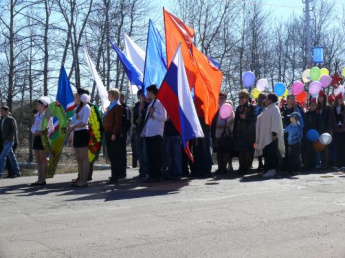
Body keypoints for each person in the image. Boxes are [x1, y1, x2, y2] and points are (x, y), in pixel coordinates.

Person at [140, 84, 167, 182]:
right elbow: (147, 120)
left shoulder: (159, 103)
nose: (147, 94)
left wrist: (153, 113)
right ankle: (151, 175)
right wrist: (144, 132)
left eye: (148, 92)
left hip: (156, 133)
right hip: (149, 134)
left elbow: (163, 118)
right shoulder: (150, 104)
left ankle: (157, 175)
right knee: (150, 156)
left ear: (152, 93)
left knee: (156, 155)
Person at [255, 93, 285, 178]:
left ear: (270, 100)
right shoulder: (268, 109)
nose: (265, 101)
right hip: (266, 136)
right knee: (267, 153)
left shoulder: (275, 109)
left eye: (267, 99)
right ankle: (267, 169)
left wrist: (274, 134)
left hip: (271, 136)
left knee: (271, 153)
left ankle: (272, 170)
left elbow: (275, 121)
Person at [67, 89, 91, 187]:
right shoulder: (77, 107)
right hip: (76, 132)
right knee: (78, 158)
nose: (75, 96)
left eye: (77, 95)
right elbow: (76, 120)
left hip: (83, 133)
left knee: (84, 158)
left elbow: (84, 122)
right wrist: (72, 127)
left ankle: (85, 180)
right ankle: (80, 178)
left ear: (81, 96)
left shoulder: (86, 107)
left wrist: (73, 127)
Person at [31, 97, 54, 185]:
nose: (37, 105)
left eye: (38, 104)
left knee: (43, 159)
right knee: (37, 159)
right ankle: (39, 178)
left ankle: (43, 179)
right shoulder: (36, 115)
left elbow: (51, 129)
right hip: (37, 137)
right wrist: (35, 131)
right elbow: (33, 126)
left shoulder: (47, 115)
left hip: (43, 139)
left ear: (43, 105)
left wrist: (43, 132)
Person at [103, 88, 124, 185]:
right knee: (111, 155)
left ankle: (115, 176)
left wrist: (114, 133)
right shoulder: (110, 106)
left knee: (114, 155)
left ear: (114, 96)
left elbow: (118, 121)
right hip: (108, 131)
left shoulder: (117, 106)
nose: (108, 97)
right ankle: (113, 175)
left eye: (110, 95)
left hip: (112, 133)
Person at [211, 92, 235, 174]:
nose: (221, 100)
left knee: (225, 150)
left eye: (222, 98)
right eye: (219, 98)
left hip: (225, 133)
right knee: (219, 151)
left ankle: (223, 168)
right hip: (217, 133)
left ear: (225, 99)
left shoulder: (228, 108)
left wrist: (223, 125)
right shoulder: (217, 109)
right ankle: (220, 167)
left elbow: (231, 120)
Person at [234, 89, 256, 176]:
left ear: (247, 98)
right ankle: (241, 167)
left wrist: (245, 118)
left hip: (248, 133)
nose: (240, 99)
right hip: (240, 132)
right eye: (239, 97)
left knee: (247, 150)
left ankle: (246, 167)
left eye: (242, 97)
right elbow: (235, 121)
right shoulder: (238, 108)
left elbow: (253, 119)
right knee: (240, 151)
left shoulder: (251, 107)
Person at [280, 94, 304, 170]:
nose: (293, 99)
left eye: (294, 98)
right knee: (286, 148)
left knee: (295, 150)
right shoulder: (283, 108)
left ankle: (296, 167)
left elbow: (301, 120)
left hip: (294, 132)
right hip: (285, 130)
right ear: (287, 99)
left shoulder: (297, 108)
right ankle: (287, 166)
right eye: (291, 98)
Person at [132, 89, 149, 178]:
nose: (144, 97)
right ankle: (141, 171)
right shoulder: (136, 107)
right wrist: (136, 121)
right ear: (138, 96)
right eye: (142, 95)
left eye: (145, 95)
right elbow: (133, 120)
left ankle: (147, 171)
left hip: (146, 131)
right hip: (138, 131)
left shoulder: (148, 105)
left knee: (145, 152)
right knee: (140, 152)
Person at [0, 106, 20, 178]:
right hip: (4, 141)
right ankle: (17, 172)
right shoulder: (2, 119)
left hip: (9, 141)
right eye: (1, 111)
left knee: (2, 157)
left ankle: (0, 173)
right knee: (12, 157)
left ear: (7, 111)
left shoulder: (11, 119)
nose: (1, 112)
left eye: (2, 111)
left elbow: (13, 130)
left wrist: (8, 138)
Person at [304, 98, 323, 171]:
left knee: (315, 149)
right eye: (311, 105)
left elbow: (320, 125)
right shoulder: (306, 114)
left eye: (314, 105)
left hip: (315, 135)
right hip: (307, 134)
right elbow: (305, 124)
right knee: (308, 149)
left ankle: (315, 164)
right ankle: (308, 165)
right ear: (309, 106)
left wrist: (318, 133)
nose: (313, 106)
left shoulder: (318, 115)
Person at [162, 115, 182, 180]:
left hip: (175, 134)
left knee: (176, 156)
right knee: (169, 156)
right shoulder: (165, 109)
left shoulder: (177, 108)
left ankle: (177, 173)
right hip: (168, 134)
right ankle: (171, 172)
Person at [317, 91, 332, 168]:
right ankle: (320, 163)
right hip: (319, 129)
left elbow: (329, 120)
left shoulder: (328, 107)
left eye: (322, 97)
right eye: (319, 97)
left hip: (326, 130)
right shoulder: (318, 107)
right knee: (320, 146)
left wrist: (327, 130)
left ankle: (325, 164)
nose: (320, 98)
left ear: (324, 98)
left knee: (325, 147)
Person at [331, 93, 345, 171]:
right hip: (336, 129)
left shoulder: (344, 108)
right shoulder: (333, 109)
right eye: (339, 99)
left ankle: (343, 164)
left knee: (343, 147)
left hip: (343, 129)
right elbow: (333, 119)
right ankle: (338, 164)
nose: (341, 101)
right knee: (338, 147)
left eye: (341, 99)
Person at [119, 92, 131, 178]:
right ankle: (117, 171)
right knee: (117, 153)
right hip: (115, 133)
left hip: (122, 133)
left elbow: (128, 122)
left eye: (121, 98)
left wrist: (124, 131)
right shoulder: (114, 107)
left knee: (122, 152)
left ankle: (123, 172)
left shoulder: (125, 108)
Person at [255, 93, 267, 170]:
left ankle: (266, 162)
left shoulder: (267, 107)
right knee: (258, 145)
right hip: (257, 128)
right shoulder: (256, 107)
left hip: (265, 128)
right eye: (261, 98)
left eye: (264, 98)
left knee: (265, 145)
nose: (262, 99)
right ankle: (260, 162)